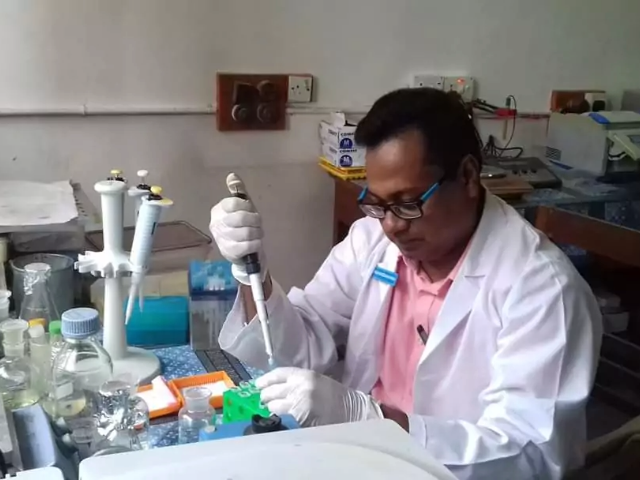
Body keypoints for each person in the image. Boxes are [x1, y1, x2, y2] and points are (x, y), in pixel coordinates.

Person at [209, 88, 602, 479]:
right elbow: (298, 349)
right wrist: (251, 272)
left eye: (408, 202)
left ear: (467, 176)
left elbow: (529, 456)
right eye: (378, 204)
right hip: (358, 455)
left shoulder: (543, 290)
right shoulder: (372, 241)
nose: (392, 225)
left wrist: (370, 419)